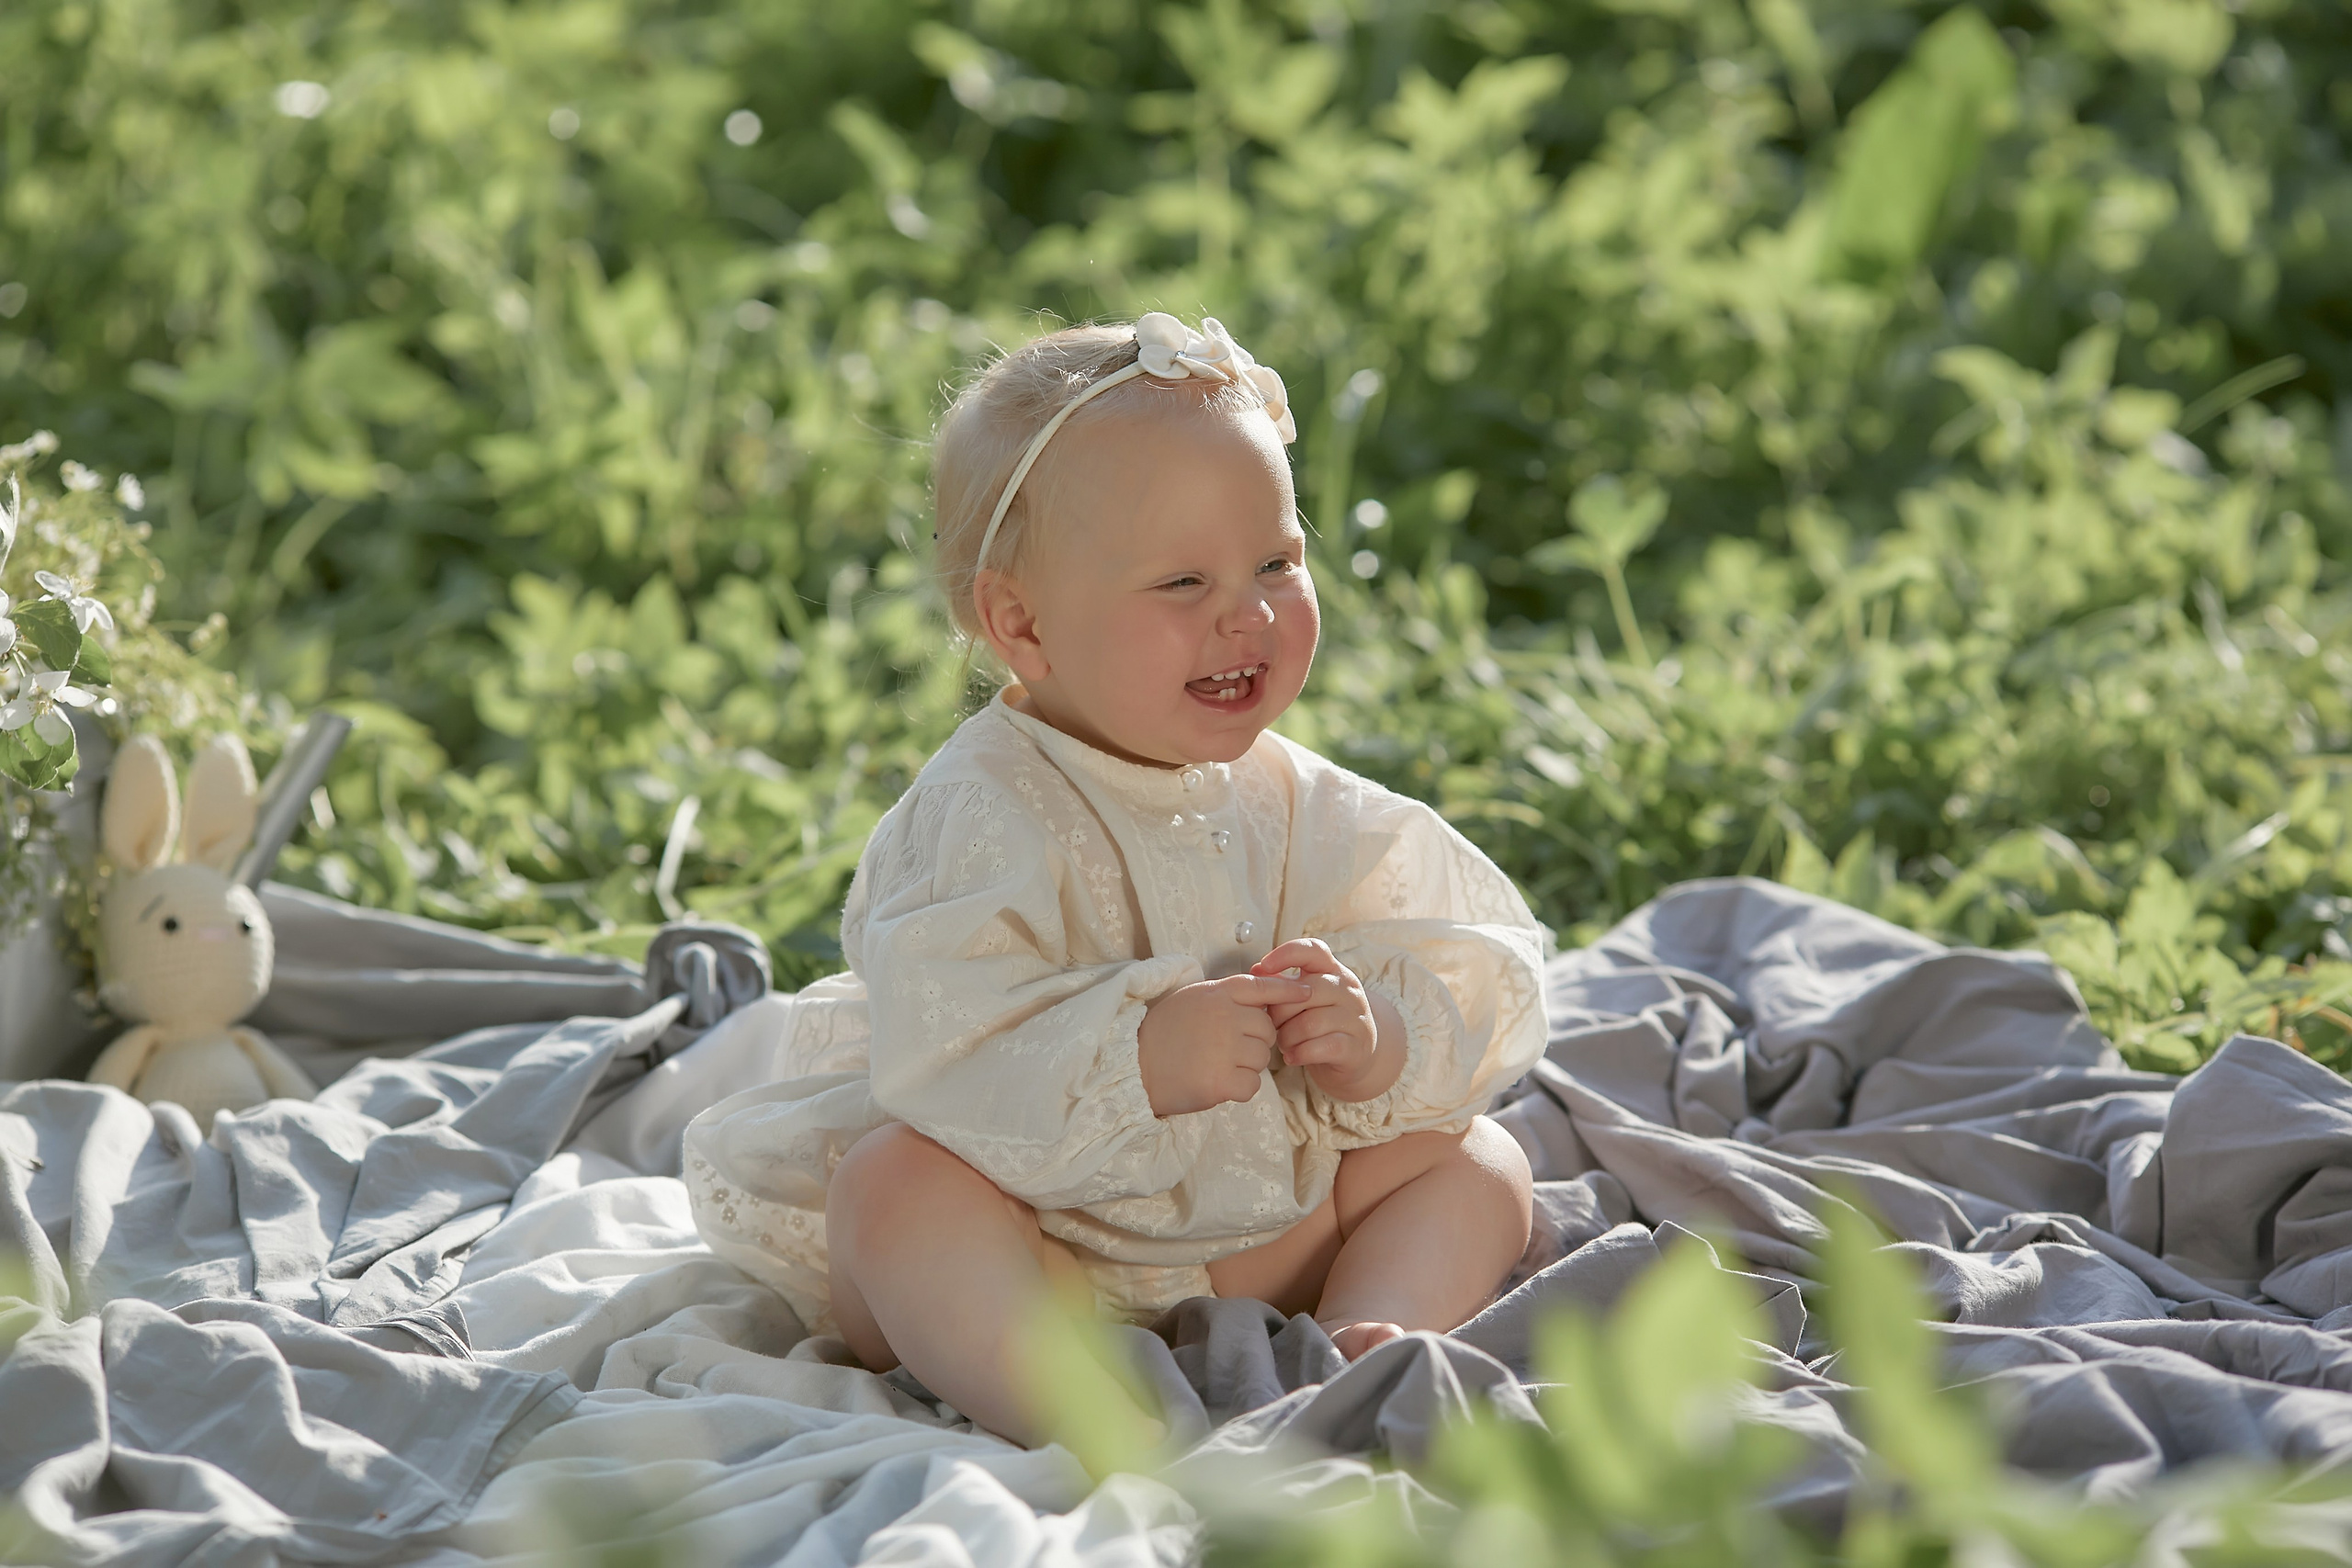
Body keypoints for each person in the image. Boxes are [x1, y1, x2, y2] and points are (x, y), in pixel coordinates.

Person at [684, 312, 1547, 1444]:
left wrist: (1367, 1034)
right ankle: (1078, 1410)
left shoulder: (1297, 801)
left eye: (1277, 562)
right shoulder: (983, 815)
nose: (1248, 613)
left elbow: (1436, 959)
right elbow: (945, 1043)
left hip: (1260, 1234)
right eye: (1183, 581)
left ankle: (1363, 1341)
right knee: (893, 1189)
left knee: (1478, 1163)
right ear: (1021, 622)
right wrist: (1135, 1054)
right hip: (1047, 1245)